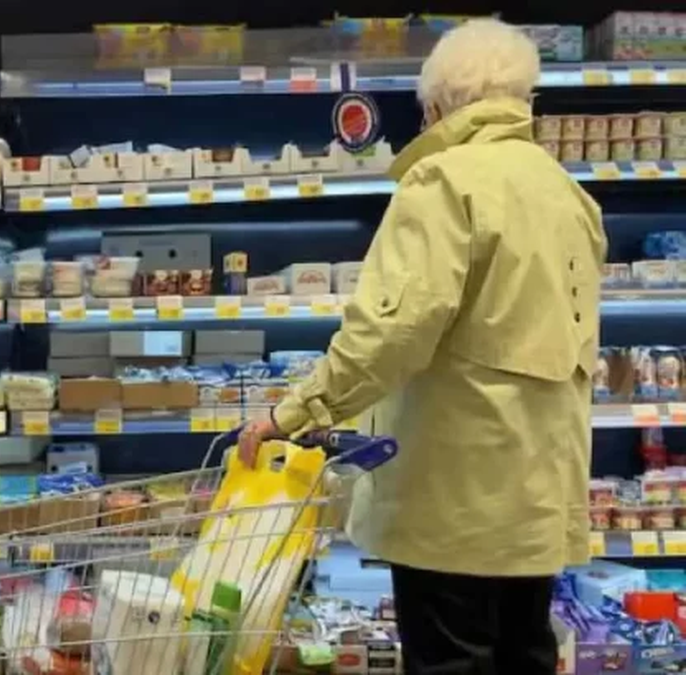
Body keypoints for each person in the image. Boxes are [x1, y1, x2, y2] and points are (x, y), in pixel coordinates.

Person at [238, 18, 606, 675]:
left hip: (454, 501)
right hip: (539, 496)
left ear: (436, 106)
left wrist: (293, 413)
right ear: (523, 98)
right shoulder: (567, 191)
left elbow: (391, 333)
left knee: (451, 660)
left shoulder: (443, 183)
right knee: (523, 653)